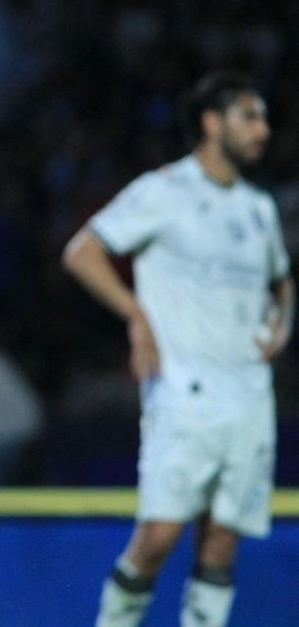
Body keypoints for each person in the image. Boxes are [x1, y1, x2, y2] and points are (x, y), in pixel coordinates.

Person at [61, 69, 293, 627]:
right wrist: (135, 312)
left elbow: (282, 278)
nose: (263, 130)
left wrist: (284, 323)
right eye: (250, 116)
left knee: (221, 544)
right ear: (212, 123)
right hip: (186, 390)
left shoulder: (257, 208)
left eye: (263, 117)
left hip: (248, 394)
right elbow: (82, 252)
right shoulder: (164, 192)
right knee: (159, 536)